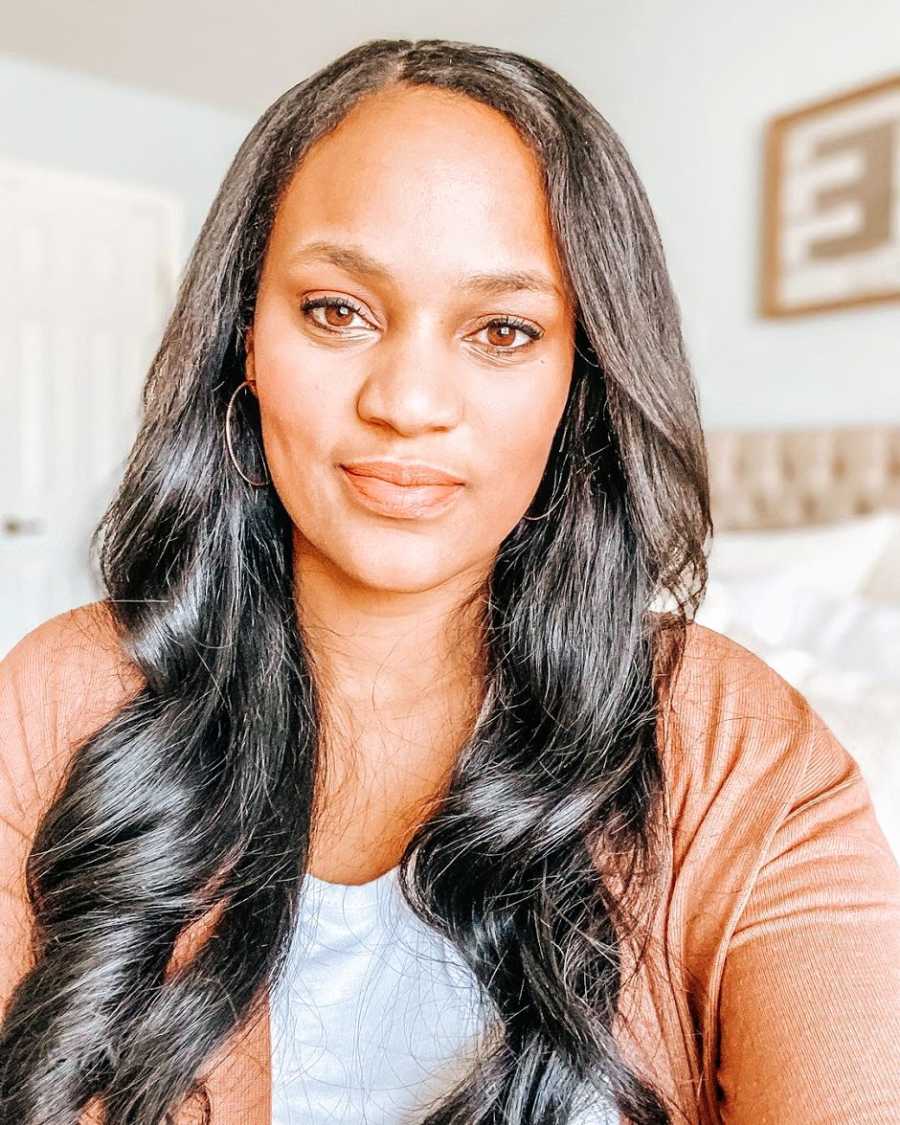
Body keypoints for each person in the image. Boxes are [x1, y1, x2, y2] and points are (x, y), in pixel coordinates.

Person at [1, 36, 898, 1125]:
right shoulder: (57, 697)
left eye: (504, 330)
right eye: (338, 310)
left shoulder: (740, 751)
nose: (409, 400)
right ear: (244, 336)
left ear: (582, 381)